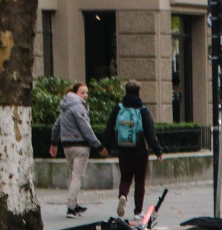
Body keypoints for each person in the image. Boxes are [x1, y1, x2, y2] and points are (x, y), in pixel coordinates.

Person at [102, 80, 163, 219]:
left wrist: (105, 146)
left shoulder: (118, 109)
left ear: (126, 92)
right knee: (140, 181)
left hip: (123, 149)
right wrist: (158, 151)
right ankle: (138, 211)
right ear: (139, 93)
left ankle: (123, 195)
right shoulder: (143, 110)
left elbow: (109, 128)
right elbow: (150, 133)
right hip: (140, 150)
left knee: (125, 178)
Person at [48, 83, 107, 218]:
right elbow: (85, 127)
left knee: (72, 175)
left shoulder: (65, 107)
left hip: (67, 145)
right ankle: (71, 207)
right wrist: (98, 145)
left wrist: (54, 143)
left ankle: (74, 203)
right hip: (80, 145)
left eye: (86, 93)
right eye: (82, 92)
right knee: (77, 176)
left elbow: (56, 126)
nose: (85, 95)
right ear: (75, 93)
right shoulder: (78, 106)